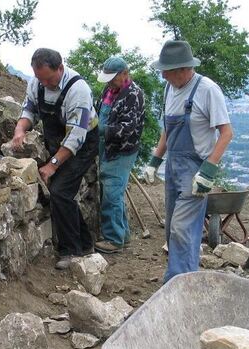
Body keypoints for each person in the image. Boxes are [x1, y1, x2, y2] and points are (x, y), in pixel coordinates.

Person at [144, 40, 233, 283]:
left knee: (182, 229)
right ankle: (184, 279)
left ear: (184, 69)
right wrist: (155, 159)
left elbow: (226, 133)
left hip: (195, 171)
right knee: (173, 230)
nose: (162, 75)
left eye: (167, 70)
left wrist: (208, 170)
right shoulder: (169, 88)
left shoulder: (207, 90)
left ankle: (176, 284)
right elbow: (168, 130)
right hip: (173, 168)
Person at [11, 48, 99, 270]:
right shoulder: (37, 82)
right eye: (40, 79)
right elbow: (29, 108)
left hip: (83, 144)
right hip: (56, 140)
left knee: (60, 191)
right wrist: (20, 129)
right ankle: (87, 243)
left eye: (49, 79)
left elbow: (76, 136)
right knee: (63, 193)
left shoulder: (78, 90)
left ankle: (72, 251)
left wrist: (52, 165)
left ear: (60, 68)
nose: (45, 84)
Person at [94, 57, 145, 254]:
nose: (109, 82)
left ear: (124, 74)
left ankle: (113, 239)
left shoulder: (134, 95)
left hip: (121, 150)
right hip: (106, 147)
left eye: (112, 78)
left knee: (112, 192)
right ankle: (122, 235)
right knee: (113, 190)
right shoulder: (109, 91)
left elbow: (128, 128)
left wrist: (99, 129)